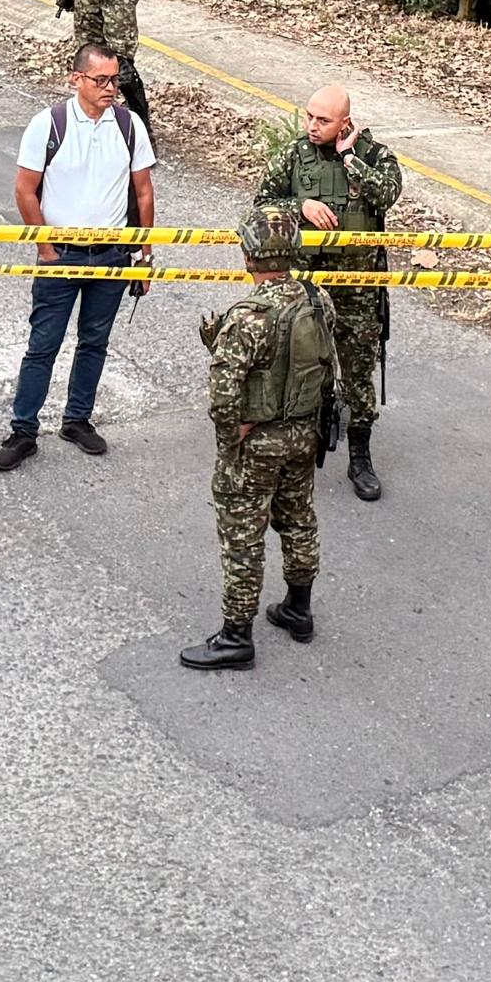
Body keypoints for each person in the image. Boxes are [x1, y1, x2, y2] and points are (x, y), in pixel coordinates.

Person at [179, 202, 340, 671]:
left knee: (242, 536)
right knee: (299, 518)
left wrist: (233, 436)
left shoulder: (246, 317)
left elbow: (223, 395)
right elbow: (330, 365)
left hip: (259, 443)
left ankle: (235, 636)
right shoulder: (317, 299)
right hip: (303, 433)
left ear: (249, 255)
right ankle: (298, 607)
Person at [0, 42, 155, 471]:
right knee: (42, 345)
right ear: (76, 79)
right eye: (100, 80)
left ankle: (77, 419)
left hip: (111, 256)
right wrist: (46, 250)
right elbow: (24, 190)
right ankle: (23, 429)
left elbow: (142, 191)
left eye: (115, 80)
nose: (110, 89)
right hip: (61, 257)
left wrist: (143, 253)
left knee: (95, 342)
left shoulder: (130, 125)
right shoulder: (49, 124)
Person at [255, 84, 403, 500]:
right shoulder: (293, 155)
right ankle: (297, 447)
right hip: (307, 284)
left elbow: (388, 194)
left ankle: (360, 454)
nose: (312, 126)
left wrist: (349, 159)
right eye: (309, 117)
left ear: (346, 123)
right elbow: (260, 204)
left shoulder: (374, 156)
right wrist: (297, 207)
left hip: (358, 288)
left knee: (357, 372)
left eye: (323, 120)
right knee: (299, 366)